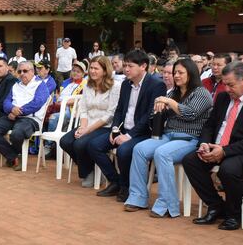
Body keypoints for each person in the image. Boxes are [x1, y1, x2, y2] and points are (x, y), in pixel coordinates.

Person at [182, 62, 243, 231]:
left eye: (231, 85)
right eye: (224, 84)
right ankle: (216, 205)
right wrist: (204, 143)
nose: (227, 89)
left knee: (229, 169)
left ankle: (233, 214)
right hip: (220, 146)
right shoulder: (223, 98)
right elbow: (210, 125)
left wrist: (225, 151)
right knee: (191, 161)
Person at [124, 58, 213, 216]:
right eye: (175, 73)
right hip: (167, 136)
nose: (176, 76)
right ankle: (138, 197)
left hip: (189, 139)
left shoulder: (202, 93)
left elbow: (190, 113)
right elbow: (156, 115)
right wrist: (158, 106)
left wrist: (168, 101)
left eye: (180, 72)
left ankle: (167, 205)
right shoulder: (174, 92)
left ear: (191, 73)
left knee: (162, 153)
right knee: (139, 149)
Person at [91, 50, 167, 202]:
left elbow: (149, 115)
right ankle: (116, 181)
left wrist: (129, 135)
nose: (125, 69)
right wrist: (114, 130)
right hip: (123, 128)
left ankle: (126, 187)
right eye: (124, 65)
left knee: (124, 151)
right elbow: (119, 110)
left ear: (143, 66)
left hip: (144, 132)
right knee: (94, 145)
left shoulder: (156, 85)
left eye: (130, 66)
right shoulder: (126, 84)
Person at [59, 56, 121, 187]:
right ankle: (89, 170)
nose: (92, 71)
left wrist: (87, 130)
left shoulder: (115, 86)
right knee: (65, 141)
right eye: (91, 68)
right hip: (87, 124)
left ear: (105, 71)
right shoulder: (88, 85)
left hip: (105, 126)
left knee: (79, 144)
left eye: (96, 68)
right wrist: (82, 127)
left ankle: (88, 173)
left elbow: (110, 114)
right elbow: (83, 110)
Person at [0, 61, 51, 169]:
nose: (22, 74)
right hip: (13, 116)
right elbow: (6, 102)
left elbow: (37, 103)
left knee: (17, 134)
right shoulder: (16, 85)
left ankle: (16, 156)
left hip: (31, 119)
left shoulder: (40, 85)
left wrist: (18, 112)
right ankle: (14, 156)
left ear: (32, 71)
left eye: (25, 71)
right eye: (20, 71)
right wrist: (12, 109)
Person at [43, 62, 86, 158]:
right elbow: (58, 95)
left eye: (78, 72)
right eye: (74, 71)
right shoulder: (66, 82)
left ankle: (49, 145)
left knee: (53, 118)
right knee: (43, 114)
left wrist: (64, 103)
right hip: (58, 106)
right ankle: (49, 145)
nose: (75, 73)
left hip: (71, 109)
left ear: (83, 74)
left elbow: (81, 98)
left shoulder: (84, 84)